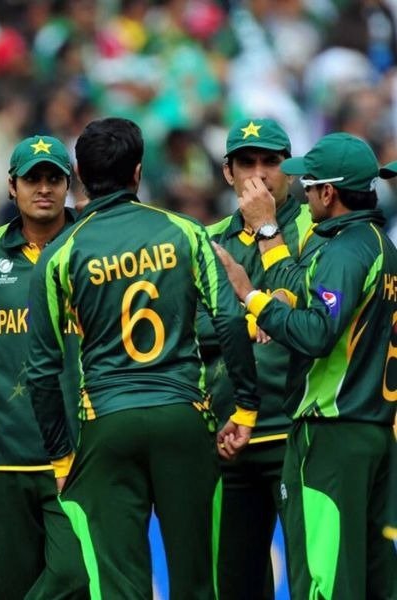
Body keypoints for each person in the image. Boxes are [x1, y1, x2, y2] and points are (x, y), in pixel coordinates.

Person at [25, 117, 259, 599]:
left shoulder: (60, 253)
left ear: (80, 176)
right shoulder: (185, 231)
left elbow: (42, 370)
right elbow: (230, 320)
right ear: (137, 172)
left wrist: (61, 456)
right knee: (199, 583)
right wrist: (245, 409)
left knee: (118, 586)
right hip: (183, 420)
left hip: (107, 425)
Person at [214, 132, 397, 599]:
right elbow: (307, 290)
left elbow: (315, 333)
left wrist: (252, 296)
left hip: (332, 431)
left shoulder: (346, 249)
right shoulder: (376, 244)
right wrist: (269, 263)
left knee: (324, 577)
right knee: (373, 578)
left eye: (310, 185)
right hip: (373, 430)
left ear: (328, 193)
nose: (304, 193)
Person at [200, 117, 324, 599]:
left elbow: (317, 317)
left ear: (289, 169)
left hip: (299, 430)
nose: (258, 174)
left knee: (313, 578)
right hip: (229, 436)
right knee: (235, 584)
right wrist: (257, 320)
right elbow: (190, 324)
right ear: (226, 172)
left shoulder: (317, 227)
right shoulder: (207, 239)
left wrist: (249, 311)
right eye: (246, 163)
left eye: (270, 162)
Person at [0, 135, 84, 599]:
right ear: (12, 186)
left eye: (54, 178)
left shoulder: (90, 243)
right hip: (6, 454)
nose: (44, 188)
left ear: (69, 185)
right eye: (33, 179)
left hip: (81, 453)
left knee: (77, 577)